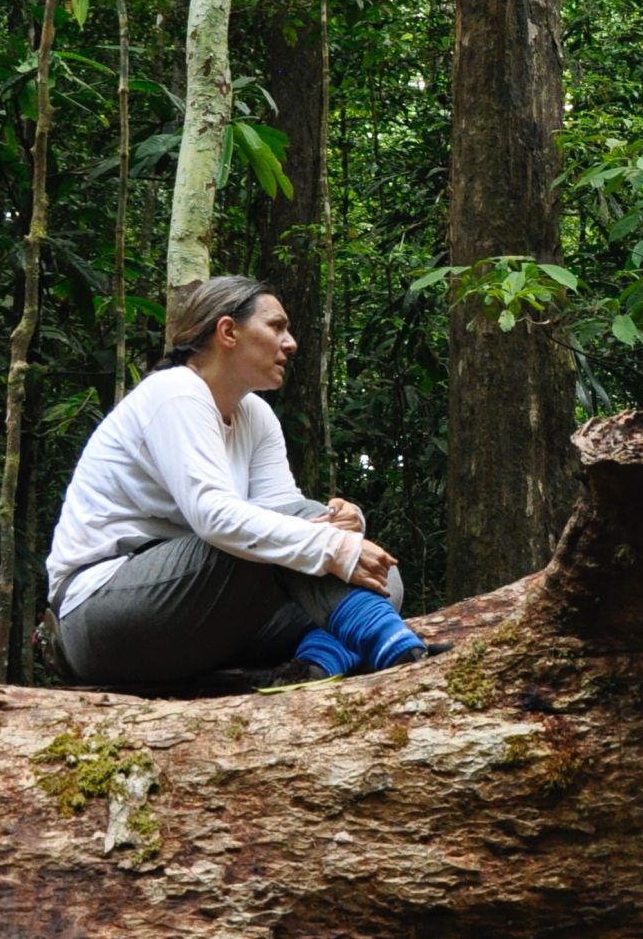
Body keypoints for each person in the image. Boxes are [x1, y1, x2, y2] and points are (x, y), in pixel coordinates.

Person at [42, 275, 431, 687]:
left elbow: (284, 511)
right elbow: (214, 516)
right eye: (276, 327)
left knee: (381, 578)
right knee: (312, 543)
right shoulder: (175, 391)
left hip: (195, 619)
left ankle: (315, 667)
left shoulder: (256, 416)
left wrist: (343, 524)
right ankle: (399, 653)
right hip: (100, 611)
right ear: (228, 331)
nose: (291, 343)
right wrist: (333, 544)